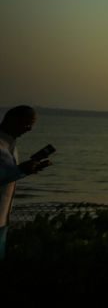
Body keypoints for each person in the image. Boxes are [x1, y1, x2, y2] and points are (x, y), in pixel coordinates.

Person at [0, 105, 51, 259]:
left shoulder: (11, 144)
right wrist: (21, 170)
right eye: (27, 123)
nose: (29, 129)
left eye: (32, 125)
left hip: (3, 216)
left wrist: (26, 170)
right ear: (11, 119)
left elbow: (8, 175)